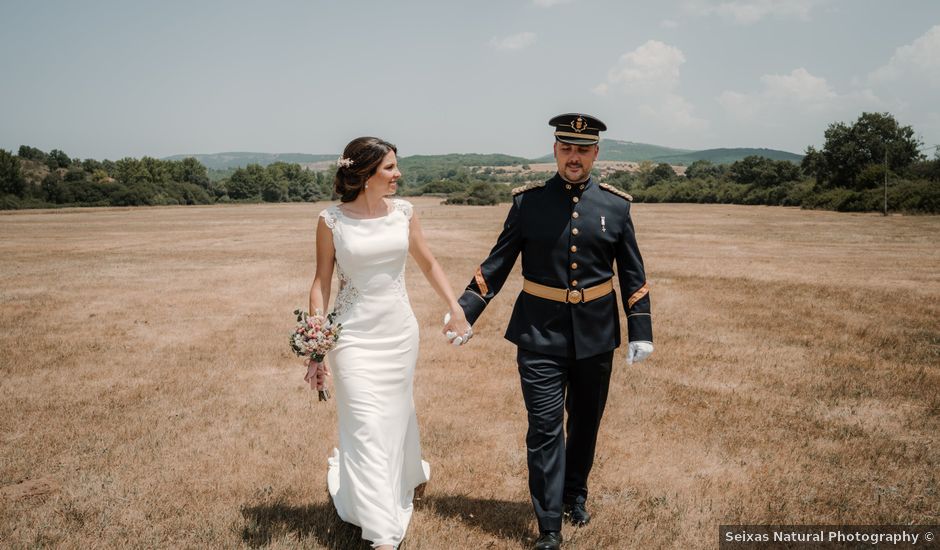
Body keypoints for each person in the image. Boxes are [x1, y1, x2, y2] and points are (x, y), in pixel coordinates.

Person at [451, 114, 654, 550]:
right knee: (544, 426)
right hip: (538, 334)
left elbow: (633, 273)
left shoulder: (617, 206)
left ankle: (574, 495)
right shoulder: (528, 203)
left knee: (585, 423)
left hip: (597, 335)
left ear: (596, 153)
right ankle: (548, 526)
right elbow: (497, 264)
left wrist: (641, 329)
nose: (574, 157)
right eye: (567, 148)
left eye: (583, 149)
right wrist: (466, 310)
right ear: (555, 151)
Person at [306, 136, 469, 549]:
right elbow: (322, 282)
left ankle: (400, 477)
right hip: (353, 337)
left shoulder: (404, 213)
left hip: (398, 333)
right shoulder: (331, 221)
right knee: (364, 424)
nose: (399, 175)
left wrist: (455, 306)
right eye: (390, 168)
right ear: (365, 174)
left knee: (394, 417)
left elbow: (428, 262)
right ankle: (381, 531)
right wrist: (316, 343)